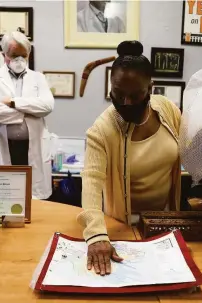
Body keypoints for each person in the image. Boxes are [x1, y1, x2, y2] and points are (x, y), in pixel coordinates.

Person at [76, 40, 182, 276]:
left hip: (164, 223)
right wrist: (96, 234)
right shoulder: (102, 130)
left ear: (150, 88)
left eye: (136, 95)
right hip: (123, 228)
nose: (126, 103)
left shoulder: (167, 110)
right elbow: (91, 182)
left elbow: (188, 148)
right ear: (110, 87)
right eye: (118, 94)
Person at [0, 31, 54, 200]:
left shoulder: (38, 78)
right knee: (4, 199)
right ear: (4, 54)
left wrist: (12, 102)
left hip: (31, 147)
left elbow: (47, 106)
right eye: (14, 55)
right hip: (3, 146)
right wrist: (27, 113)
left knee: (34, 201)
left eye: (23, 55)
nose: (19, 60)